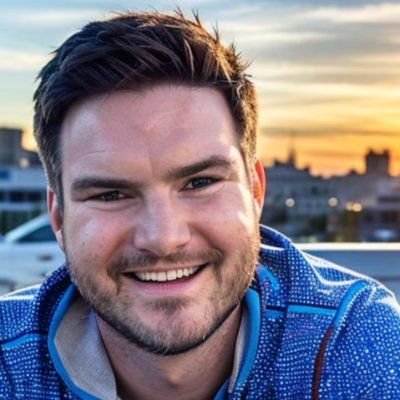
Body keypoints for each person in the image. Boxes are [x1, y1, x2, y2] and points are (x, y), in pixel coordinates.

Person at [0, 10, 399, 400]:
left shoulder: (356, 343)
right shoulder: (9, 362)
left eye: (200, 183)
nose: (163, 238)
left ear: (255, 192)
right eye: (110, 195)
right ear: (59, 217)